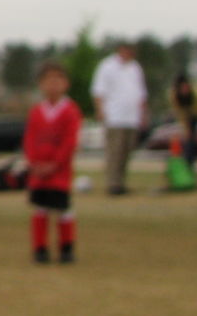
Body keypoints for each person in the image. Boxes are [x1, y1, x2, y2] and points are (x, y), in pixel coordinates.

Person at [23, 60, 82, 264]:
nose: (53, 85)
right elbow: (30, 139)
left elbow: (70, 141)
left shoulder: (70, 111)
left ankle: (66, 248)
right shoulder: (37, 112)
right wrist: (33, 163)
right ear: (41, 84)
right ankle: (40, 249)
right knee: (40, 208)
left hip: (59, 172)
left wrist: (55, 164)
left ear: (66, 84)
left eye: (58, 80)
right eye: (48, 80)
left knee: (63, 209)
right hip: (39, 173)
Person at [90, 41, 147, 195]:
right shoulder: (107, 66)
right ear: (121, 49)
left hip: (132, 118)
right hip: (114, 117)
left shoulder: (135, 68)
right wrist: (100, 110)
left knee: (126, 152)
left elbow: (141, 94)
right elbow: (98, 90)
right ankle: (112, 183)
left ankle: (121, 182)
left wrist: (142, 114)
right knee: (114, 152)